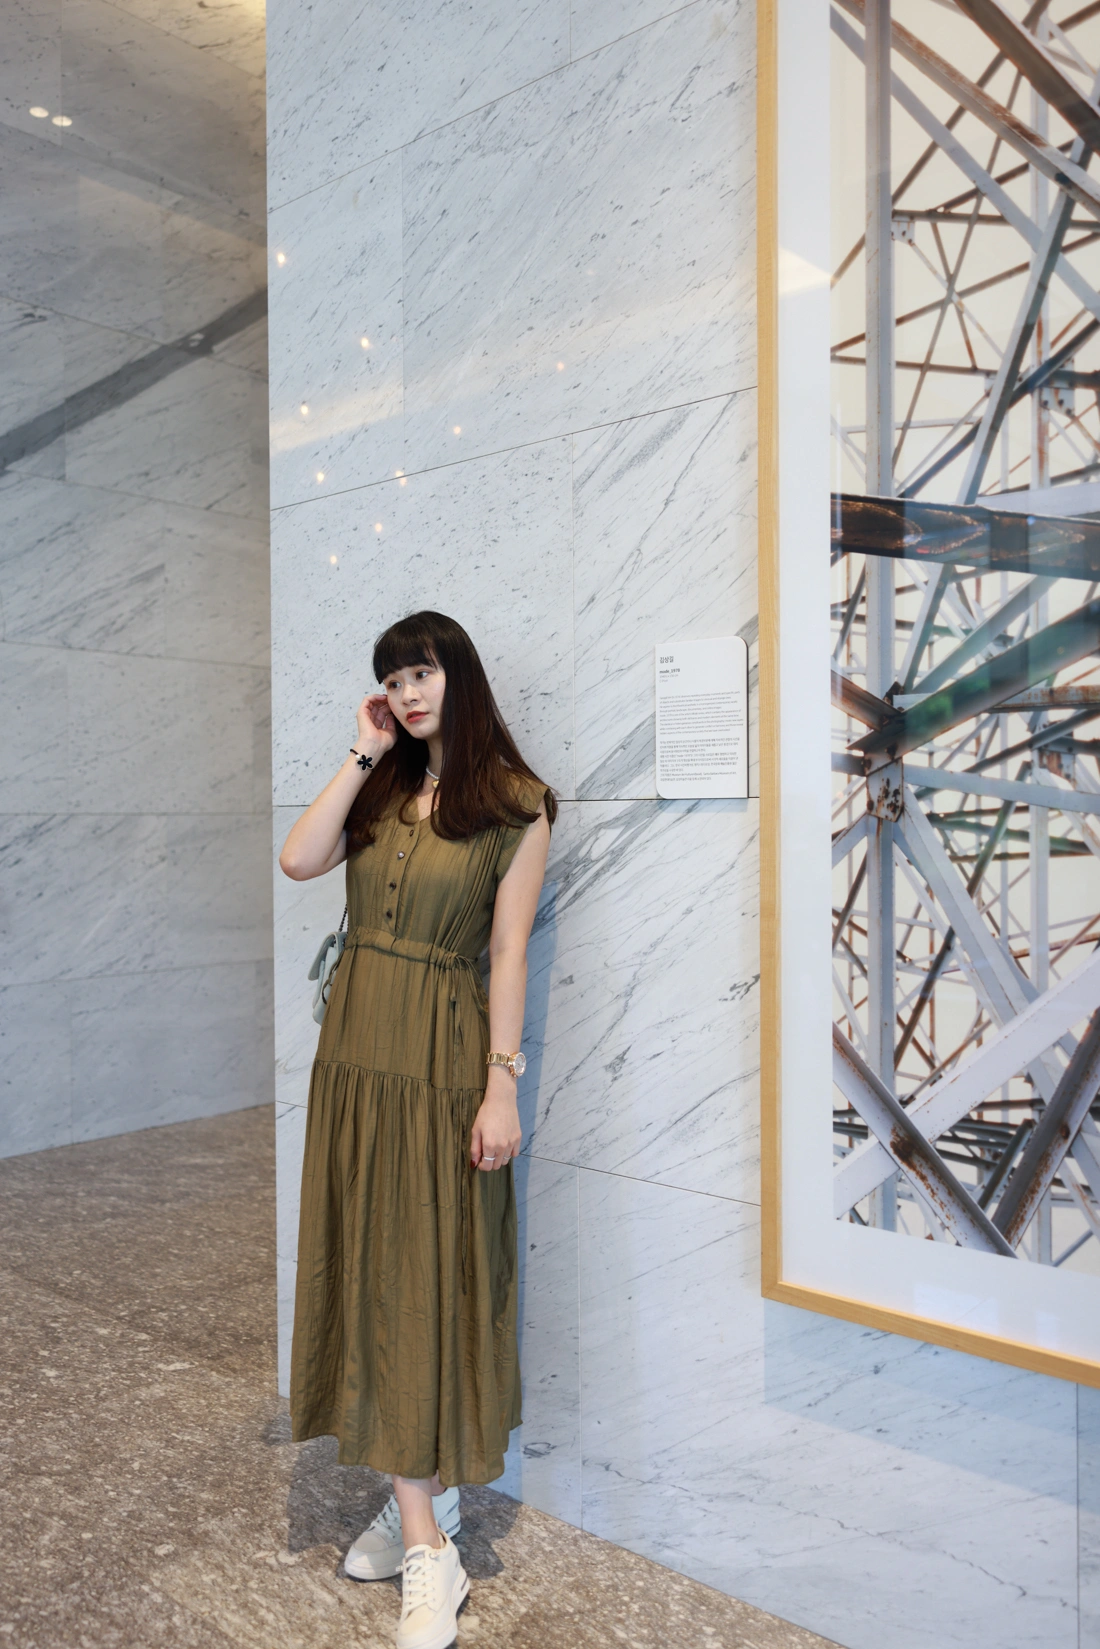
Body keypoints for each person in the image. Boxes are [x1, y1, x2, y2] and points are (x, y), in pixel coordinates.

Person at [279, 610, 554, 1649]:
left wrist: (501, 1087)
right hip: (355, 1055)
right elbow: (299, 858)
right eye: (393, 679)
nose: (407, 692)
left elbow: (508, 952)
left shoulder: (518, 805)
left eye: (422, 671)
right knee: (372, 1268)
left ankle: (429, 1542)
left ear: (459, 674)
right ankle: (419, 1519)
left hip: (438, 1061)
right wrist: (362, 750)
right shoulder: (383, 785)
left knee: (424, 1276)